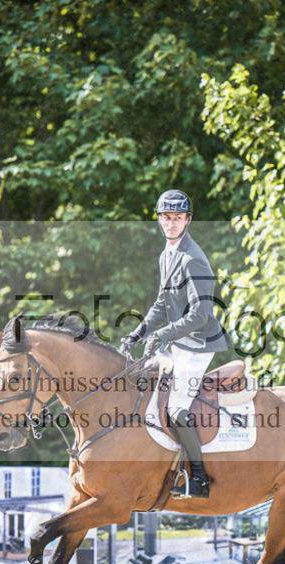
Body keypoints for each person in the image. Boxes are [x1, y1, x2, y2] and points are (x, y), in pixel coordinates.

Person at [119, 189, 231, 499]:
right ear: (159, 219)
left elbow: (201, 313)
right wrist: (139, 333)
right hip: (178, 340)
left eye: (177, 218)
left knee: (178, 406)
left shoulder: (193, 259)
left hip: (198, 342)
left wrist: (164, 334)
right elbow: (161, 303)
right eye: (166, 217)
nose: (171, 223)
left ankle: (199, 477)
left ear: (188, 220)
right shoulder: (167, 254)